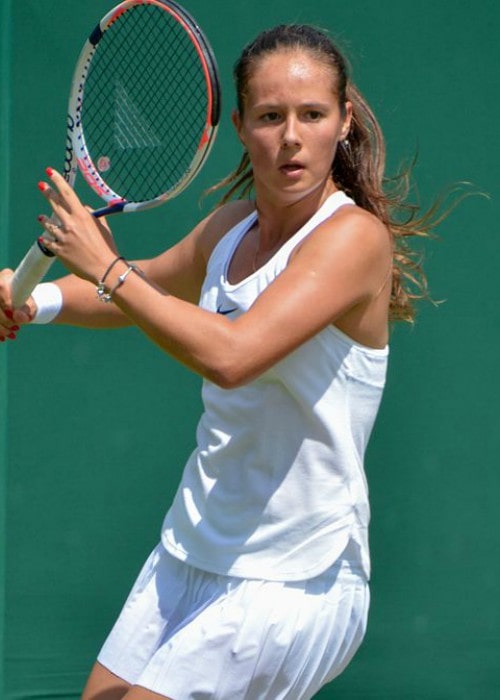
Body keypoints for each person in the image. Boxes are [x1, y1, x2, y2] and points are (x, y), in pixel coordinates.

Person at [0, 23, 434, 700]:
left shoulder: (353, 240)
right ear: (240, 126)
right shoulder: (229, 228)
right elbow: (139, 288)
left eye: (312, 114)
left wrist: (105, 266)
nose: (291, 136)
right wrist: (37, 300)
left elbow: (233, 357)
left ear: (343, 123)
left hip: (293, 580)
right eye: (270, 116)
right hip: (189, 552)